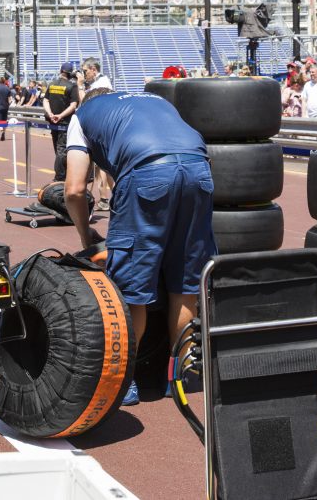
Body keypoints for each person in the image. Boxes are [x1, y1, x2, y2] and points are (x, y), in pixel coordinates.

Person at [63, 88, 217, 407]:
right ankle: (180, 378)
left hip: (149, 172)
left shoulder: (82, 117)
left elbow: (75, 189)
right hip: (199, 170)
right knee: (184, 284)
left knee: (133, 289)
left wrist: (85, 235)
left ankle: (125, 381)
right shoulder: (155, 101)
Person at [79, 58, 115, 210]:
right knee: (101, 167)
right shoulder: (98, 83)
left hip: (102, 127)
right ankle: (105, 199)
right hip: (100, 126)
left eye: (85, 71)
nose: (84, 74)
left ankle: (117, 197)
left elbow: (85, 103)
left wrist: (80, 86)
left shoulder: (101, 84)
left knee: (105, 165)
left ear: (93, 69)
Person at [43, 63, 80, 181]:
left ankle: (62, 174)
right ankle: (60, 177)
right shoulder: (72, 86)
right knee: (62, 150)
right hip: (64, 123)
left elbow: (45, 100)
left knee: (57, 148)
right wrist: (60, 116)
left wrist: (50, 114)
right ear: (70, 73)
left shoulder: (52, 84)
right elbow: (73, 105)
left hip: (52, 122)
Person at [0, 76, 13, 142]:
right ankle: (4, 132)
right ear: (4, 81)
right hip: (5, 106)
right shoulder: (7, 88)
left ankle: (1, 131)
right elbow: (10, 99)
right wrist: (8, 104)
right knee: (4, 120)